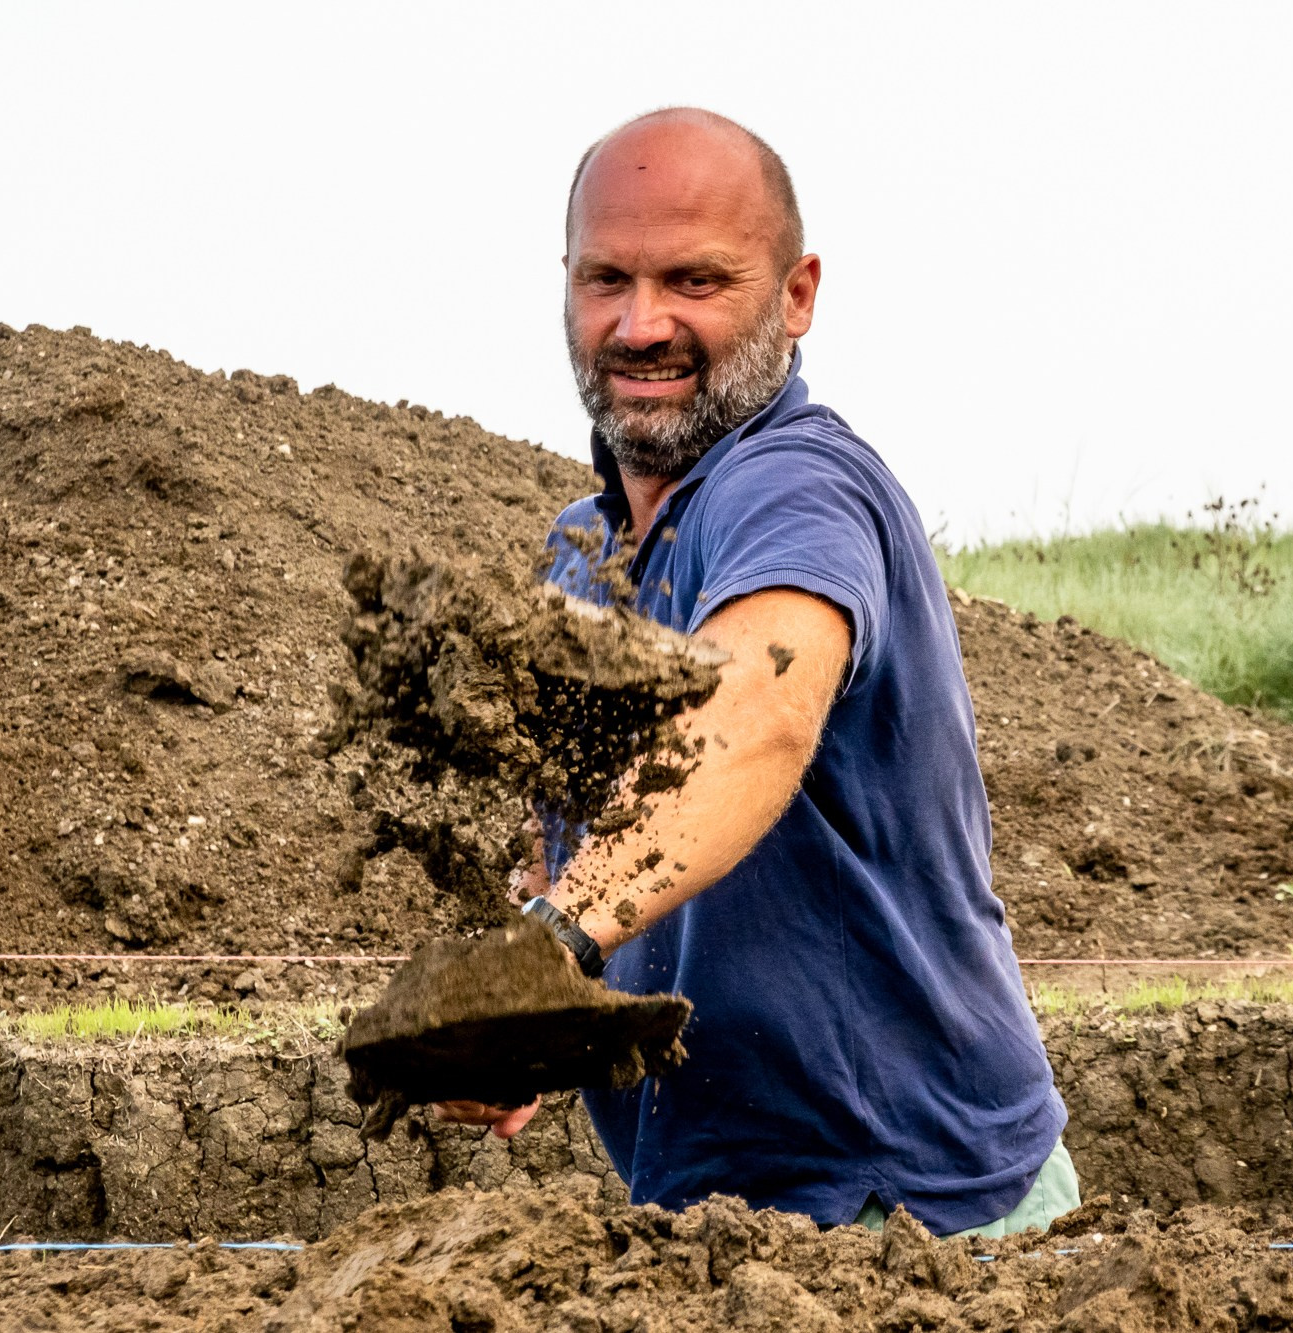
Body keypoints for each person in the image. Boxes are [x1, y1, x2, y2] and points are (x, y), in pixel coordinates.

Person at [436, 107, 1078, 1240]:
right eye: (606, 280)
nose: (640, 325)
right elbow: (583, 852)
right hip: (712, 1222)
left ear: (794, 295)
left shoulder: (798, 489)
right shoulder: (582, 561)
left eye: (693, 279)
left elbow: (749, 721)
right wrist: (531, 1012)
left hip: (914, 1219)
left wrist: (544, 946)